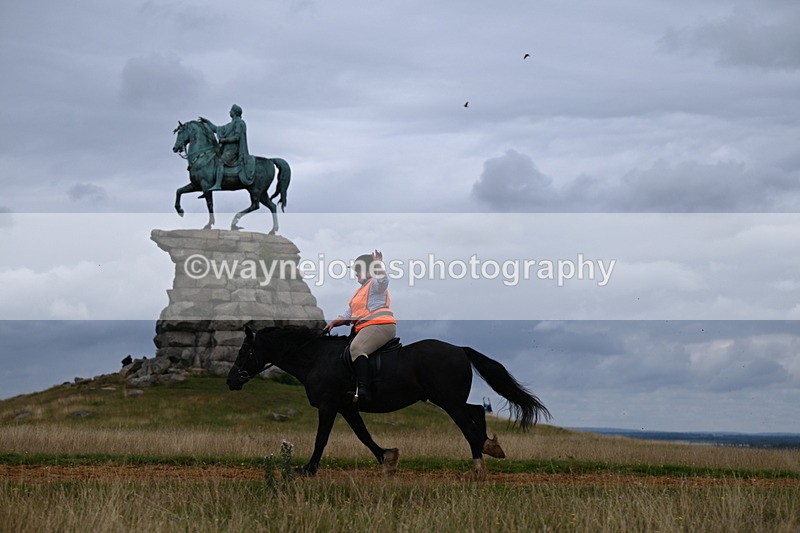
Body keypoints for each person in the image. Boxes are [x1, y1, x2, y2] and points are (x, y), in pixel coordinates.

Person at [324, 250, 396, 402]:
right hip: (368, 327)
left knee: (356, 348)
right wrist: (335, 322)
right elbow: (350, 313)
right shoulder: (359, 291)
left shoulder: (375, 284)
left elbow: (384, 281)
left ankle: (364, 390)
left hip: (379, 325)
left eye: (358, 270)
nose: (356, 273)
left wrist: (377, 264)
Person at [197, 104, 256, 197]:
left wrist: (225, 140)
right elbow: (217, 129)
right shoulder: (230, 125)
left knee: (220, 161)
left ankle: (218, 184)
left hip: (234, 150)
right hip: (226, 149)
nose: (229, 112)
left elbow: (237, 137)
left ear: (235, 112)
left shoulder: (240, 123)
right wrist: (207, 122)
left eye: (231, 110)